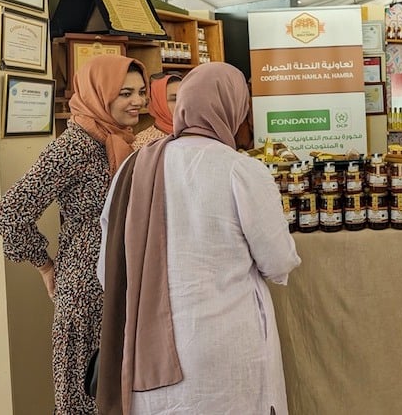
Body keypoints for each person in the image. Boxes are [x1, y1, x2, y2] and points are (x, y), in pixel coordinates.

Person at [96, 62, 301, 414]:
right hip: (227, 346)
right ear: (234, 109)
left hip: (149, 352)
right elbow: (278, 261)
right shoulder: (241, 169)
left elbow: (107, 269)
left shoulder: (133, 168)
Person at [0, 55, 147, 415]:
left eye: (140, 92)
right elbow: (9, 213)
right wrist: (46, 266)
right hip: (87, 294)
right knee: (86, 399)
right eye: (125, 93)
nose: (137, 101)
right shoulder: (74, 145)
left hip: (119, 286)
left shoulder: (118, 140)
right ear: (99, 94)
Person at [132, 71, 182, 149]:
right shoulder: (144, 144)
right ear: (158, 103)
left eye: (185, 97)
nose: (183, 103)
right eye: (174, 99)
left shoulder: (197, 133)